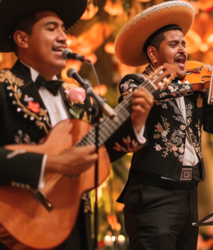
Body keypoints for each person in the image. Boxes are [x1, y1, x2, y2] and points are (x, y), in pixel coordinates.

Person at [0, 0, 156, 249]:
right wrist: (50, 163)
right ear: (22, 38)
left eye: (64, 29)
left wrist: (135, 124)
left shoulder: (76, 95)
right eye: (52, 28)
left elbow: (97, 153)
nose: (64, 37)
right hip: (21, 224)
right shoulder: (3, 89)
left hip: (74, 224)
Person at [114, 1, 213, 250]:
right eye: (174, 44)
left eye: (184, 44)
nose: (183, 50)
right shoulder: (134, 82)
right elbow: (145, 97)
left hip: (189, 194)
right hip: (153, 196)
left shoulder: (192, 86)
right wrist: (193, 86)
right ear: (154, 54)